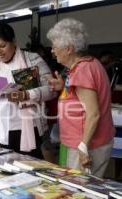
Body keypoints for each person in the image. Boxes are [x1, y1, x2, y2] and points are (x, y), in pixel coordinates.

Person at [0, 23, 56, 158]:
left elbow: (51, 89)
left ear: (14, 41)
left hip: (28, 128)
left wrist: (27, 94)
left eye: (3, 46)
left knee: (29, 167)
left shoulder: (32, 60)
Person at [47, 18, 115, 177]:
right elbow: (82, 98)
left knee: (78, 190)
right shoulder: (90, 63)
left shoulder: (82, 70)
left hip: (86, 145)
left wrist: (83, 147)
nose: (52, 50)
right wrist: (64, 86)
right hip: (90, 142)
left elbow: (93, 114)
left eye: (55, 46)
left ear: (69, 49)